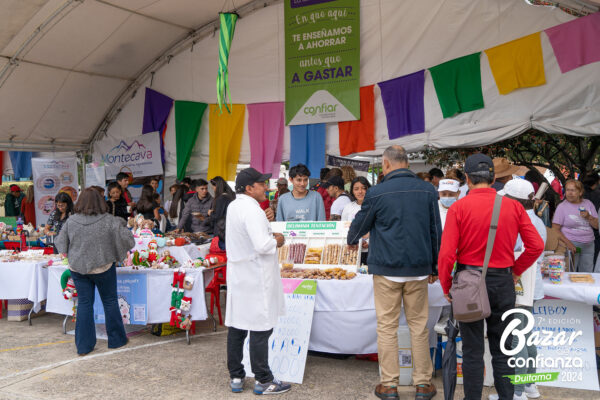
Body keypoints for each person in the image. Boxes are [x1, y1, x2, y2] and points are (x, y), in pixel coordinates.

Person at [438, 153, 544, 400]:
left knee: (473, 349)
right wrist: (516, 270)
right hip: (503, 283)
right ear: (494, 177)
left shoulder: (459, 208)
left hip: (467, 283)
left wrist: (446, 285)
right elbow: (536, 246)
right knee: (503, 348)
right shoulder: (513, 206)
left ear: (467, 178)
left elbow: (446, 255)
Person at [348, 145, 441, 400]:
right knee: (419, 326)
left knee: (387, 327)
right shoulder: (427, 190)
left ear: (386, 164)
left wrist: (351, 238)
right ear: (407, 163)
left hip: (386, 269)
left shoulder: (377, 192)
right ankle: (423, 384)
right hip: (419, 269)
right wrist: (435, 267)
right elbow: (435, 231)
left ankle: (389, 385)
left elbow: (360, 225)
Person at [225, 167, 291, 395]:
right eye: (262, 184)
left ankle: (236, 376)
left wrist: (265, 224)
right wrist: (277, 240)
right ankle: (264, 379)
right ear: (250, 188)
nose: (267, 187)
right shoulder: (251, 210)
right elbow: (262, 245)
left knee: (238, 326)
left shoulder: (235, 206)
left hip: (240, 275)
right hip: (255, 276)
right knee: (261, 328)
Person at [55, 188, 134, 355]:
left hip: (77, 268)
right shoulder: (109, 220)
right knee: (110, 301)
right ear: (100, 201)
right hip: (103, 266)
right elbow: (129, 240)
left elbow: (60, 243)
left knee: (84, 304)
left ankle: (84, 346)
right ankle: (116, 340)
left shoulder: (71, 221)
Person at [497, 178, 547, 400]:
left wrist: (513, 272)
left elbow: (515, 252)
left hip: (520, 285)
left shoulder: (518, 221)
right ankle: (529, 385)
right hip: (531, 285)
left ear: (513, 201)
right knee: (527, 336)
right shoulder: (536, 220)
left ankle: (516, 391)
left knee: (516, 337)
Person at [552, 179, 598, 272]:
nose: (569, 193)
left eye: (573, 190)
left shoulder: (588, 203)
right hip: (571, 244)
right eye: (567, 190)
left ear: (580, 192)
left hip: (588, 245)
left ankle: (585, 287)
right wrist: (568, 243)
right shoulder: (562, 207)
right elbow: (555, 229)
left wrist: (589, 217)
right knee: (570, 273)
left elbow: (597, 226)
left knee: (587, 274)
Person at [342, 176, 371, 265]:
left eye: (363, 188)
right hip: (352, 251)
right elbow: (343, 227)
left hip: (370, 252)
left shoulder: (374, 206)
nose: (360, 192)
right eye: (356, 189)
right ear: (352, 191)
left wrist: (369, 242)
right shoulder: (348, 207)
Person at [206, 176, 236, 248]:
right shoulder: (231, 196)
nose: (213, 189)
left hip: (222, 232)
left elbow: (217, 216)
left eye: (213, 187)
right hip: (231, 230)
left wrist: (210, 213)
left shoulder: (221, 198)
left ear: (217, 186)